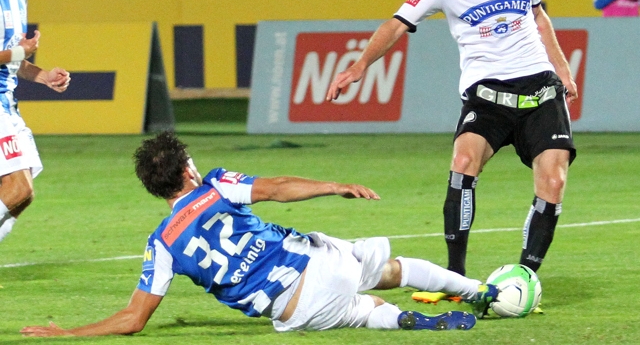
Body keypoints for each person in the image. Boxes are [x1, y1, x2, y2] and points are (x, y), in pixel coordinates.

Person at [326, 0, 577, 308]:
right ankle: (455, 277)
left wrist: (563, 69)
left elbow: (538, 16)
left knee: (554, 180)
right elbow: (396, 23)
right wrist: (359, 67)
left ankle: (524, 278)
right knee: (463, 163)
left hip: (539, 88)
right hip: (488, 93)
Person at [21, 131, 499, 337]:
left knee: (363, 310)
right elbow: (274, 189)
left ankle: (399, 321)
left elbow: (133, 318)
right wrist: (334, 186)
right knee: (391, 270)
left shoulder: (162, 244)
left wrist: (69, 331)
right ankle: (481, 291)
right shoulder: (216, 184)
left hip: (297, 308)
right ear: (188, 170)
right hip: (315, 262)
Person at [0, 0, 70, 243]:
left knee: (23, 196)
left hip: (8, 104)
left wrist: (42, 75)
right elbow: (13, 52)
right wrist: (19, 49)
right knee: (19, 188)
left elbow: (13, 60)